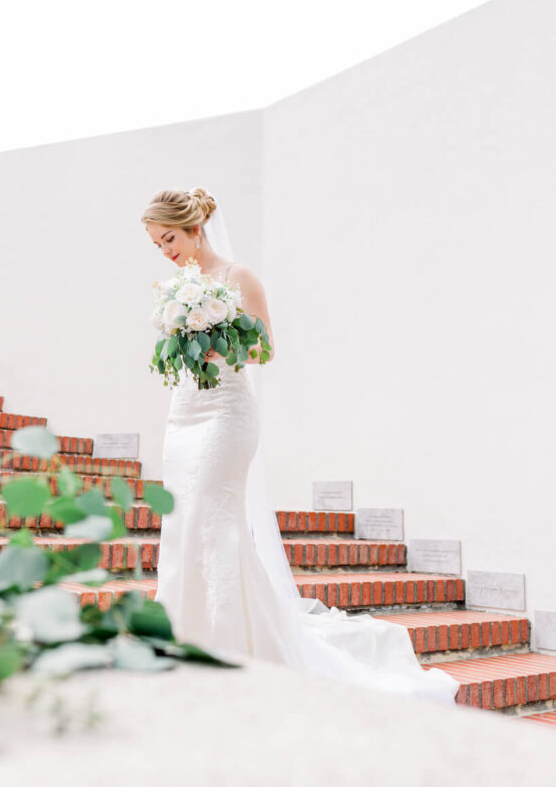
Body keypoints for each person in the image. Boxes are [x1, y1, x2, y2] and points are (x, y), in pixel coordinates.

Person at [142, 186, 460, 704]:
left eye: (169, 239)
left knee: (213, 516)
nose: (165, 251)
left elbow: (265, 348)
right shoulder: (179, 284)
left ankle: (232, 646)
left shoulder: (236, 276)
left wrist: (215, 327)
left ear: (195, 229)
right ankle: (183, 634)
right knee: (182, 519)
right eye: (157, 244)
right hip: (184, 414)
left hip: (226, 412)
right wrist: (181, 337)